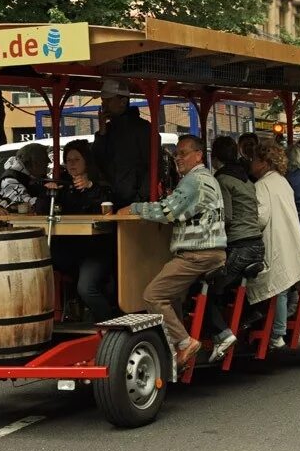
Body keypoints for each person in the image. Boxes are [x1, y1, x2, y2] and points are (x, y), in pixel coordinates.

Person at [117, 135, 226, 368]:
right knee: (172, 295)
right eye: (176, 154)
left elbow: (167, 211)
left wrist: (134, 208)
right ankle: (175, 345)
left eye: (183, 153)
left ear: (198, 155)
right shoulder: (208, 179)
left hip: (198, 253)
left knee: (153, 296)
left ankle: (185, 343)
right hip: (211, 251)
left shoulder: (192, 181)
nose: (178, 158)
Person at [246, 140, 300, 348]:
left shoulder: (262, 186)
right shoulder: (282, 181)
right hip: (290, 238)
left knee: (277, 286)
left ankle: (278, 333)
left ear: (264, 163)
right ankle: (289, 316)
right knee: (286, 282)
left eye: (254, 160)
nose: (251, 164)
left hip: (275, 240)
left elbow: (260, 218)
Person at [38, 139, 115, 321]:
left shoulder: (101, 186)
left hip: (96, 250)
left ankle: (111, 323)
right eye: (68, 160)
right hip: (69, 250)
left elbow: (107, 207)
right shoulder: (64, 186)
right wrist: (48, 193)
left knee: (86, 288)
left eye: (76, 160)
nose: (71, 164)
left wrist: (89, 188)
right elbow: (42, 209)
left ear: (87, 161)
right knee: (38, 269)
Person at [205, 136, 264, 363]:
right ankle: (248, 312)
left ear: (215, 157)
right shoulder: (246, 179)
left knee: (207, 288)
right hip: (257, 244)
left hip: (240, 246)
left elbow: (226, 216)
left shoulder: (222, 180)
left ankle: (222, 332)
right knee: (227, 284)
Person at [92, 79, 152, 208]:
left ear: (123, 102)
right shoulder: (108, 129)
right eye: (103, 101)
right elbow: (97, 160)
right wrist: (102, 132)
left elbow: (152, 165)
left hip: (134, 201)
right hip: (110, 199)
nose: (104, 106)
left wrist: (141, 198)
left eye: (108, 101)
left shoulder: (142, 128)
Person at [0, 143, 48, 211]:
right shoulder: (10, 180)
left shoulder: (34, 177)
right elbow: (26, 205)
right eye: (45, 159)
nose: (48, 162)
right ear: (34, 162)